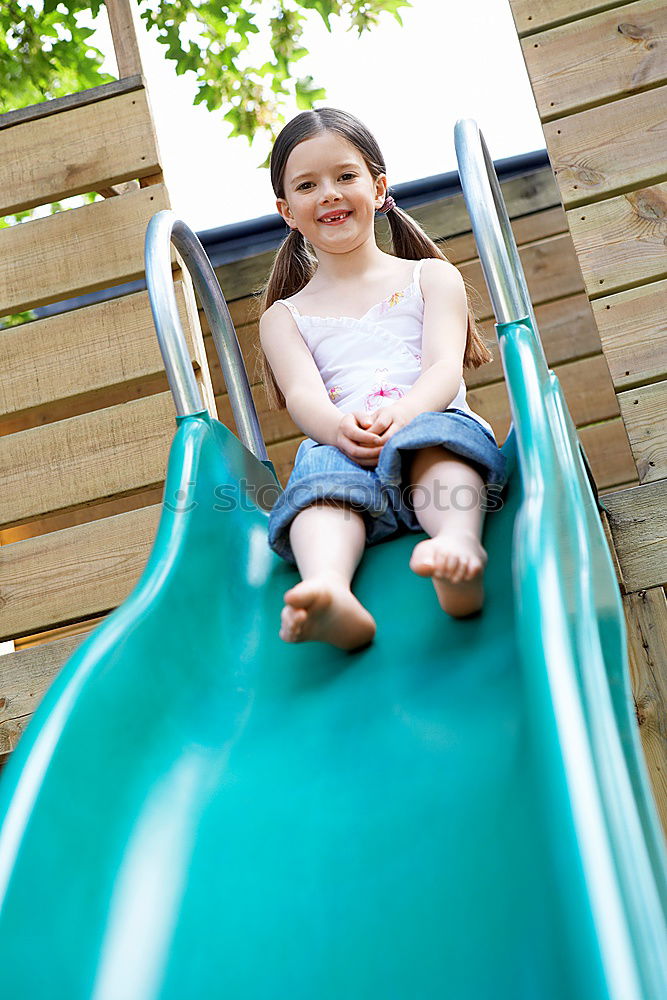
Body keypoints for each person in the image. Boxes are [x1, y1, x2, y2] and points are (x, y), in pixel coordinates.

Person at [255, 107, 508, 651]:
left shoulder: (430, 277)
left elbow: (443, 367)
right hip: (349, 451)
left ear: (378, 186)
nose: (329, 193)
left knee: (434, 441)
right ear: (287, 211)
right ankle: (327, 587)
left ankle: (458, 549)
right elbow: (303, 395)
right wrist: (338, 429)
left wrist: (409, 411)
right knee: (316, 480)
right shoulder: (285, 316)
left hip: (428, 427)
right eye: (307, 185)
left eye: (345, 177)